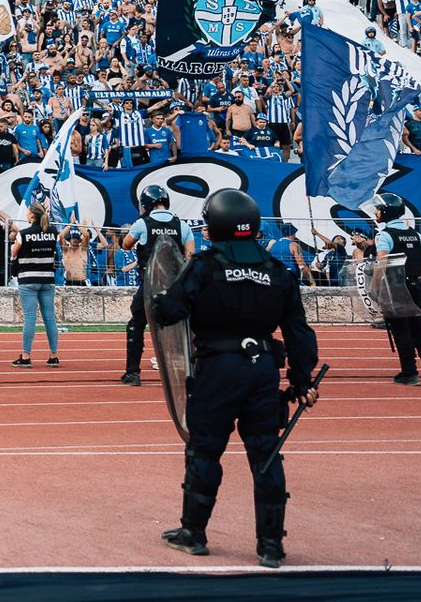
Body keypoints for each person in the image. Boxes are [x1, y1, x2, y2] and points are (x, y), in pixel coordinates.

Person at [152, 189, 320, 568]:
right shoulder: (278, 271)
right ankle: (271, 546)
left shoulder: (206, 265)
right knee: (266, 453)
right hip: (262, 370)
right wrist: (302, 381)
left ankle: (194, 533)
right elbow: (298, 332)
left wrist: (159, 300)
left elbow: (171, 310)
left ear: (216, 224)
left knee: (205, 450)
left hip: (218, 368)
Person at [121, 183, 195, 385]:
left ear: (145, 204)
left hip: (150, 284)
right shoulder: (183, 225)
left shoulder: (141, 224)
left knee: (136, 324)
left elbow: (126, 245)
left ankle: (133, 373)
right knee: (183, 327)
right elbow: (190, 256)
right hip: (175, 286)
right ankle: (189, 371)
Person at [370, 192, 421, 384]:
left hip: (395, 288)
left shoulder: (384, 235)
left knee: (401, 331)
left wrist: (375, 289)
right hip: (414, 286)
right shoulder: (416, 235)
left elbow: (381, 264)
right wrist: (419, 284)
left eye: (378, 209)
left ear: (385, 212)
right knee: (419, 329)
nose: (376, 212)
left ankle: (409, 373)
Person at [11, 194, 62, 367]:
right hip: (47, 279)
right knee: (50, 318)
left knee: (30, 318)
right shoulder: (52, 232)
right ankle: (53, 355)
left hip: (28, 280)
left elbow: (14, 251)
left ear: (32, 215)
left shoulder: (23, 234)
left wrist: (14, 251)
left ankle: (26, 356)